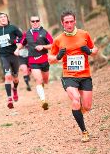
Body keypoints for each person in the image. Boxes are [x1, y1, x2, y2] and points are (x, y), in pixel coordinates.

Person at [48, 10, 98, 142]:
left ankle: (78, 112)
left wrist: (89, 51)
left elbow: (95, 50)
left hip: (85, 75)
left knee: (86, 106)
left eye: (71, 21)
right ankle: (84, 131)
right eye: (66, 22)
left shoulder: (84, 34)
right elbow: (50, 59)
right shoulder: (58, 40)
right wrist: (58, 56)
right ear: (62, 23)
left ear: (75, 21)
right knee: (75, 100)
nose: (69, 24)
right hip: (69, 76)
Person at [14, 15, 53, 110]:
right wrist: (17, 49)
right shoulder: (27, 33)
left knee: (45, 80)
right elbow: (22, 43)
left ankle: (42, 86)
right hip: (33, 60)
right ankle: (43, 101)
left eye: (37, 21)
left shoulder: (44, 32)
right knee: (38, 80)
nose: (35, 22)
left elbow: (52, 44)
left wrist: (43, 47)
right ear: (30, 22)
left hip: (44, 59)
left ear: (39, 21)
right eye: (33, 21)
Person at [0, 12, 23, 109]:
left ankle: (15, 89)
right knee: (7, 76)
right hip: (3, 55)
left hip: (13, 54)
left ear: (7, 18)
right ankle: (9, 99)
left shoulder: (13, 28)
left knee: (15, 77)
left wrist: (14, 41)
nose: (3, 18)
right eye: (1, 17)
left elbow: (22, 37)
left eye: (4, 17)